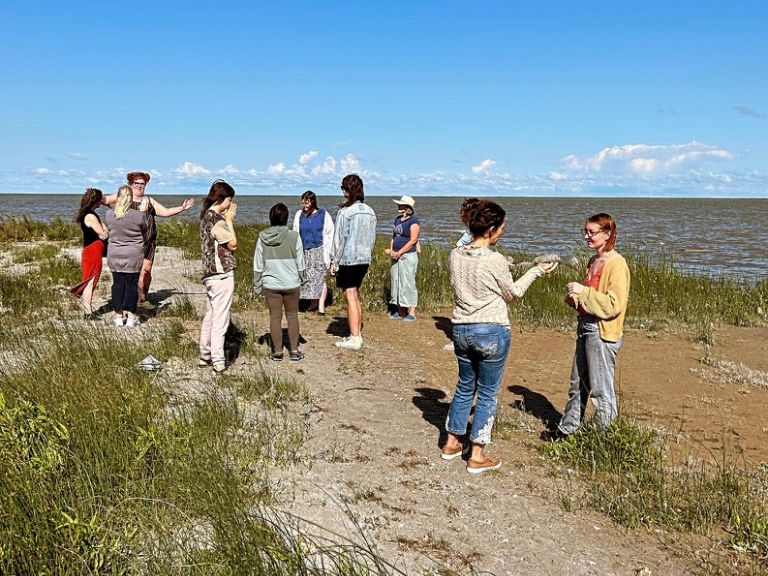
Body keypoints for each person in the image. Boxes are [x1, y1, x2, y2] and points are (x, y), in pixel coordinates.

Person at [442, 199, 558, 474]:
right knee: (487, 393)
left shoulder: (455, 254)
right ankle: (477, 454)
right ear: (491, 228)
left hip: (461, 328)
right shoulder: (493, 259)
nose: (503, 231)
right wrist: (536, 271)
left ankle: (451, 442)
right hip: (491, 329)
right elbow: (513, 293)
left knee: (464, 387)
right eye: (502, 227)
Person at [554, 213, 630, 439]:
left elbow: (613, 305)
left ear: (607, 235)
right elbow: (591, 299)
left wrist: (583, 291)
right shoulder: (593, 261)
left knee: (600, 389)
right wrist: (575, 299)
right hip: (585, 327)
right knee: (578, 383)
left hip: (602, 332)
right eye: (585, 231)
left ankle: (604, 437)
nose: (587, 236)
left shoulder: (617, 265)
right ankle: (567, 430)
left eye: (591, 232)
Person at [104, 172, 194, 309]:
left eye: (143, 183)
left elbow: (165, 211)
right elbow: (102, 200)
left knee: (146, 270)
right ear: (130, 184)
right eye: (137, 183)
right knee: (130, 272)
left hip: (148, 242)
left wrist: (182, 208)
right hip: (130, 243)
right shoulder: (122, 199)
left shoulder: (149, 201)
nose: (140, 186)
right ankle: (133, 300)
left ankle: (142, 298)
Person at [253, 203, 307, 362]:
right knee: (292, 316)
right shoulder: (294, 236)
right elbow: (300, 261)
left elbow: (258, 263)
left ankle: (277, 352)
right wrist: (303, 278)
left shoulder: (262, 237)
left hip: (271, 285)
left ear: (271, 218)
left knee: (275, 317)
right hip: (291, 283)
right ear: (286, 219)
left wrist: (257, 284)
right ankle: (295, 351)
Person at [329, 174, 377, 350]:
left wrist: (333, 262)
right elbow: (372, 239)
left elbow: (339, 240)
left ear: (347, 190)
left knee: (350, 296)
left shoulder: (345, 212)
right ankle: (356, 333)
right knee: (354, 295)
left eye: (344, 189)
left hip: (348, 260)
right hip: (364, 259)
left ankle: (355, 337)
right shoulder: (370, 211)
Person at [199, 180, 238, 373]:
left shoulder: (206, 216)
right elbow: (233, 244)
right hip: (221, 274)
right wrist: (229, 220)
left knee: (210, 315)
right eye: (230, 200)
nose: (231, 205)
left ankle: (205, 353)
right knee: (220, 319)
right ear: (225, 198)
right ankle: (218, 360)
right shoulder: (217, 220)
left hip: (209, 274)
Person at [105, 185, 149, 327]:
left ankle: (118, 315)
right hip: (133, 254)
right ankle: (131, 316)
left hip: (114, 253)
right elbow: (145, 231)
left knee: (118, 284)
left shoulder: (109, 215)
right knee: (131, 284)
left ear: (118, 198)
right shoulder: (138, 216)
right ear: (131, 199)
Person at [292, 190, 334, 315]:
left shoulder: (323, 215)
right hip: (305, 250)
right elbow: (295, 233)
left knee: (320, 278)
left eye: (307, 203)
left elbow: (330, 233)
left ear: (313, 202)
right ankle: (312, 303)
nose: (305, 206)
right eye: (303, 203)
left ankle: (321, 305)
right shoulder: (299, 215)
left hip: (319, 250)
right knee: (307, 278)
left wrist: (330, 253)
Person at [70, 188, 108, 316]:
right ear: (95, 201)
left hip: (92, 249)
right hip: (93, 250)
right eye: (100, 200)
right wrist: (106, 230)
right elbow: (102, 234)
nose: (101, 203)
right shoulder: (91, 216)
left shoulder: (88, 213)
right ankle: (87, 311)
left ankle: (87, 309)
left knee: (90, 279)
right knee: (91, 280)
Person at [388, 195, 420, 321]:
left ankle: (411, 311)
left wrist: (400, 252)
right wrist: (392, 250)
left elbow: (413, 240)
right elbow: (393, 236)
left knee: (408, 282)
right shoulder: (397, 219)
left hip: (407, 256)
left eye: (401, 205)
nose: (398, 206)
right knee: (396, 282)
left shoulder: (414, 221)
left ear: (407, 208)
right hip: (396, 255)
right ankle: (400, 310)